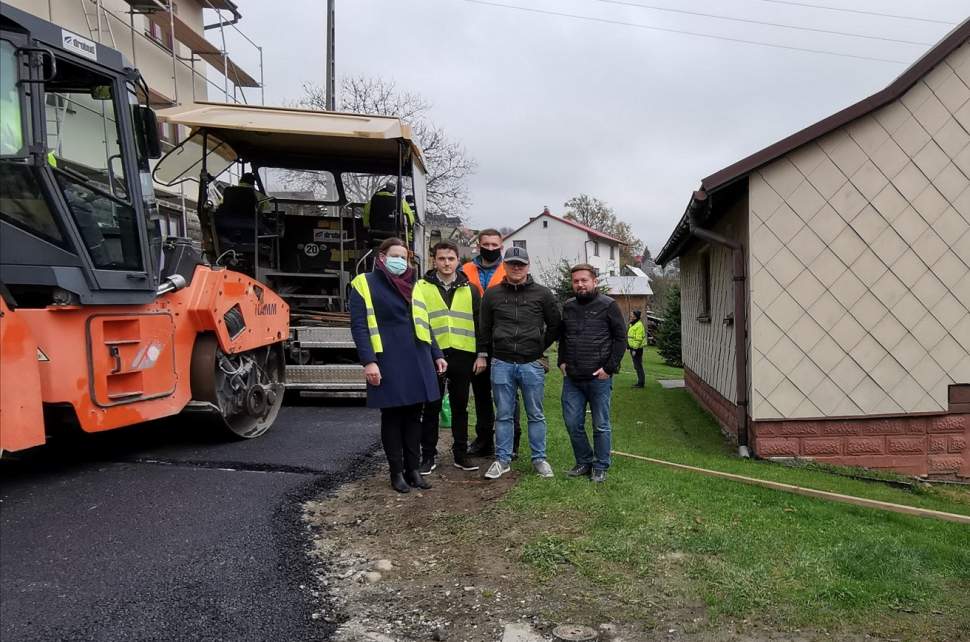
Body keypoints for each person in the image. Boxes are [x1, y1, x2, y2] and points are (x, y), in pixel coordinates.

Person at [349, 237, 447, 493]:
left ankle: (413, 470)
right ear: (381, 257)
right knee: (392, 417)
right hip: (387, 358)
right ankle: (396, 473)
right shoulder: (364, 283)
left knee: (415, 416)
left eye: (404, 257)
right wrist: (369, 361)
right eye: (395, 256)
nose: (400, 261)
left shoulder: (416, 286)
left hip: (418, 356)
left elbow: (425, 322)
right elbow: (359, 327)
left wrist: (437, 353)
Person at [479, 246, 561, 480]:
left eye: (521, 264)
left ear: (528, 266)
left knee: (535, 413)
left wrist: (538, 347)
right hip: (502, 363)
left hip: (531, 364)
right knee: (504, 414)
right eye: (512, 263)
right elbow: (484, 328)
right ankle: (502, 459)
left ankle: (539, 459)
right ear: (504, 266)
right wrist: (484, 353)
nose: (517, 268)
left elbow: (555, 325)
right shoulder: (492, 295)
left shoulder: (543, 294)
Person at [416, 241, 485, 474]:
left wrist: (481, 354)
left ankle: (460, 454)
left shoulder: (470, 288)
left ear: (458, 260)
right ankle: (428, 455)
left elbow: (479, 324)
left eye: (451, 259)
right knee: (432, 406)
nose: (446, 263)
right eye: (442, 258)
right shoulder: (422, 287)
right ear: (433, 259)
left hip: (463, 355)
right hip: (432, 355)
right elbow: (419, 321)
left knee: (460, 407)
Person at [558, 265, 627, 483]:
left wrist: (609, 368)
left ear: (594, 281)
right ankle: (584, 462)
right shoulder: (568, 306)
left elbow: (620, 338)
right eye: (576, 281)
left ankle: (600, 466)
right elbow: (564, 336)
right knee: (572, 422)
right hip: (573, 379)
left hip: (599, 378)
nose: (580, 284)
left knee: (601, 424)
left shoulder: (608, 305)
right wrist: (561, 361)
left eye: (584, 280)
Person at [461, 229, 523, 458]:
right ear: (478, 245)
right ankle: (484, 439)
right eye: (485, 244)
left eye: (494, 244)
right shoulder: (465, 270)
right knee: (481, 394)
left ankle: (512, 441)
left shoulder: (510, 269)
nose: (490, 247)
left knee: (507, 395)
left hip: (504, 340)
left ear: (501, 245)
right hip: (473, 337)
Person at [627, 309, 647, 388]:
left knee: (638, 366)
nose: (631, 316)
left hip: (637, 349)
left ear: (636, 317)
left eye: (632, 315)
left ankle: (641, 383)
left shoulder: (638, 325)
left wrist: (634, 349)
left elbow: (638, 339)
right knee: (636, 365)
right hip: (633, 348)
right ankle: (640, 382)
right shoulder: (633, 324)